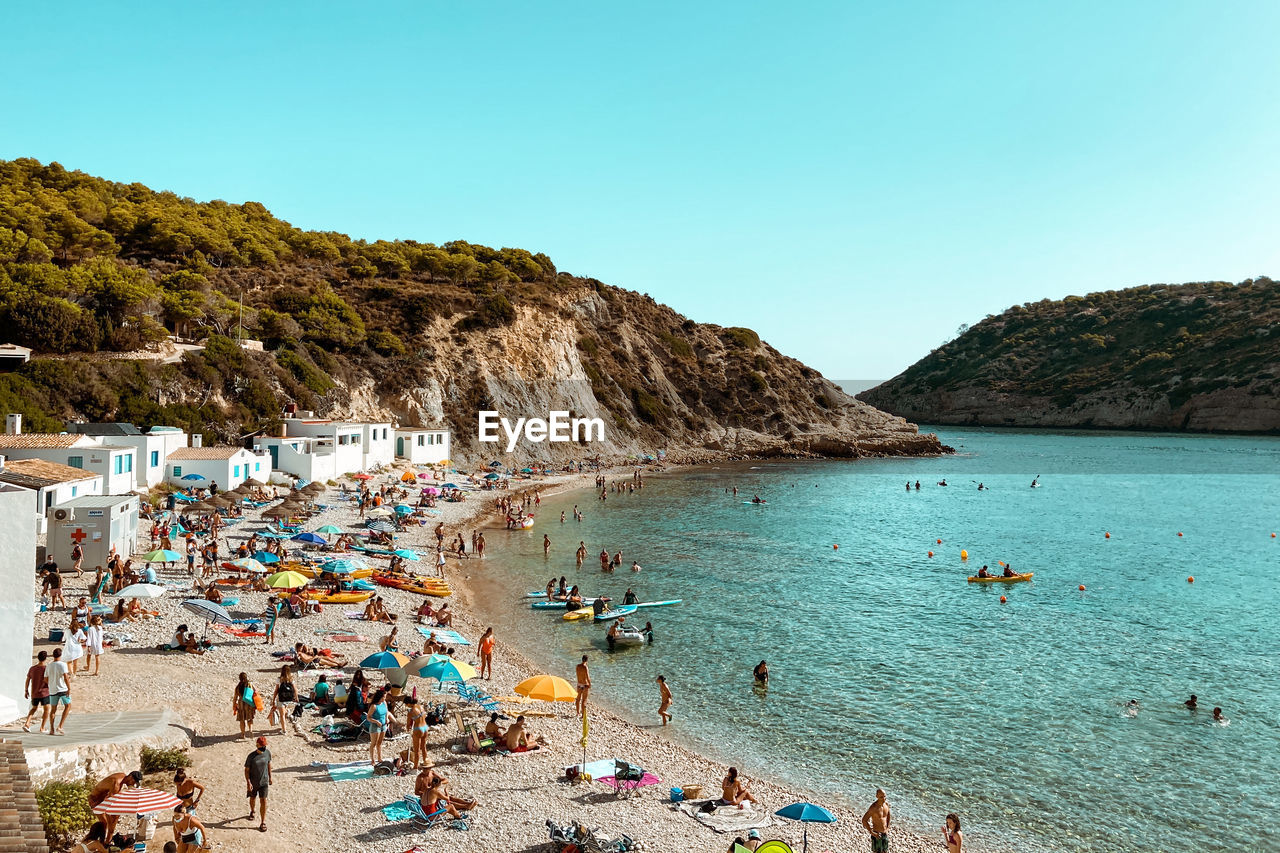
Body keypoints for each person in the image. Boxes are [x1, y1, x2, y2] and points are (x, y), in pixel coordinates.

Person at [89, 771, 141, 838]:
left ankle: (105, 840)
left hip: (104, 798)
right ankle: (103, 842)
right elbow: (112, 802)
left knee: (110, 821)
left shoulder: (123, 776)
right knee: (106, 823)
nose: (133, 784)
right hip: (95, 800)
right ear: (130, 777)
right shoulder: (116, 783)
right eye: (133, 782)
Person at [245, 736, 272, 833]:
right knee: (252, 798)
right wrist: (248, 783)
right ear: (257, 745)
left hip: (264, 782)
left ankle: (263, 822)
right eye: (262, 746)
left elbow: (268, 764)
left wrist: (270, 777)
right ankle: (252, 810)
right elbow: (247, 770)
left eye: (264, 746)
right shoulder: (251, 757)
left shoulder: (267, 753)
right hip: (253, 782)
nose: (263, 748)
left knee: (263, 801)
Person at [23, 650, 50, 733]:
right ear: (45, 658)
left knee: (33, 708)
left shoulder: (32, 668)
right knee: (46, 709)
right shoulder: (46, 668)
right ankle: (42, 728)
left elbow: (27, 679)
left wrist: (26, 690)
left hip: (34, 692)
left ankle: (27, 723)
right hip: (44, 692)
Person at [45, 647, 71, 734]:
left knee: (53, 709)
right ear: (60, 655)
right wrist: (69, 688)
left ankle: (52, 729)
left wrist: (51, 683)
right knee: (68, 706)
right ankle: (60, 726)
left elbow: (45, 679)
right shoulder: (63, 664)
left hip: (52, 689)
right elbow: (66, 677)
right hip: (62, 688)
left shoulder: (49, 665)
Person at [861, 788, 892, 852]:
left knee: (885, 851)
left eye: (884, 796)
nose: (883, 799)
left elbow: (888, 815)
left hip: (885, 834)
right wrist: (872, 832)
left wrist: (888, 827)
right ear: (877, 796)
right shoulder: (874, 808)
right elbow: (864, 820)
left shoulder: (886, 805)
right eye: (881, 797)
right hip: (877, 834)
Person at [269, 666, 296, 732]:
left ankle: (284, 730)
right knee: (284, 713)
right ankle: (286, 712)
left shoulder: (279, 679)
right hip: (289, 699)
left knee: (282, 715)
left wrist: (273, 699)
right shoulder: (291, 679)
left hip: (281, 698)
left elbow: (276, 690)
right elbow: (295, 689)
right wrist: (296, 697)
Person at [366, 687, 389, 764]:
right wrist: (375, 721)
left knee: (380, 743)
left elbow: (386, 712)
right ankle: (372, 759)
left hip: (383, 725)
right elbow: (368, 717)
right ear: (380, 697)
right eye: (384, 697)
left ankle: (379, 758)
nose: (385, 698)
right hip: (375, 726)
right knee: (374, 743)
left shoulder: (384, 703)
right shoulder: (374, 706)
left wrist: (387, 719)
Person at [404, 697, 428, 768]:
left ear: (408, 704)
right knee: (424, 747)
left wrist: (408, 728)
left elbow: (408, 724)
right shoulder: (420, 706)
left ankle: (415, 767)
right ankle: (425, 763)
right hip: (425, 727)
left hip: (418, 728)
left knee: (416, 749)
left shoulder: (411, 712)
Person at [233, 672, 258, 740]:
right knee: (250, 718)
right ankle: (250, 730)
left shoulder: (238, 687)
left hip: (241, 704)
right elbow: (256, 692)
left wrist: (234, 705)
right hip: (249, 703)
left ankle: (243, 734)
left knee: (242, 720)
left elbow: (235, 697)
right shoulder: (249, 685)